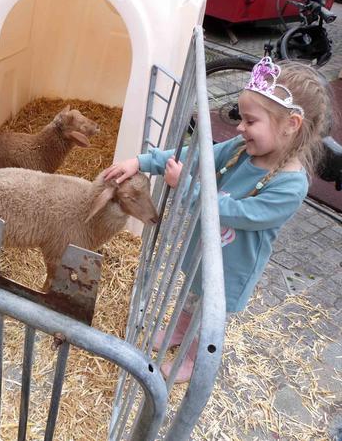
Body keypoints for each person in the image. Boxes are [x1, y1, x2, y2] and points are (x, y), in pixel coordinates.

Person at [103, 58, 332, 383]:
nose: (240, 128)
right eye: (241, 118)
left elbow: (243, 215)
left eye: (250, 121)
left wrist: (189, 189)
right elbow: (192, 155)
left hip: (230, 269)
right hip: (204, 251)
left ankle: (193, 360)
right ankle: (180, 330)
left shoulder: (291, 184)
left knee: (208, 315)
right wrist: (141, 162)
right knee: (191, 295)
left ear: (290, 124)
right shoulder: (241, 148)